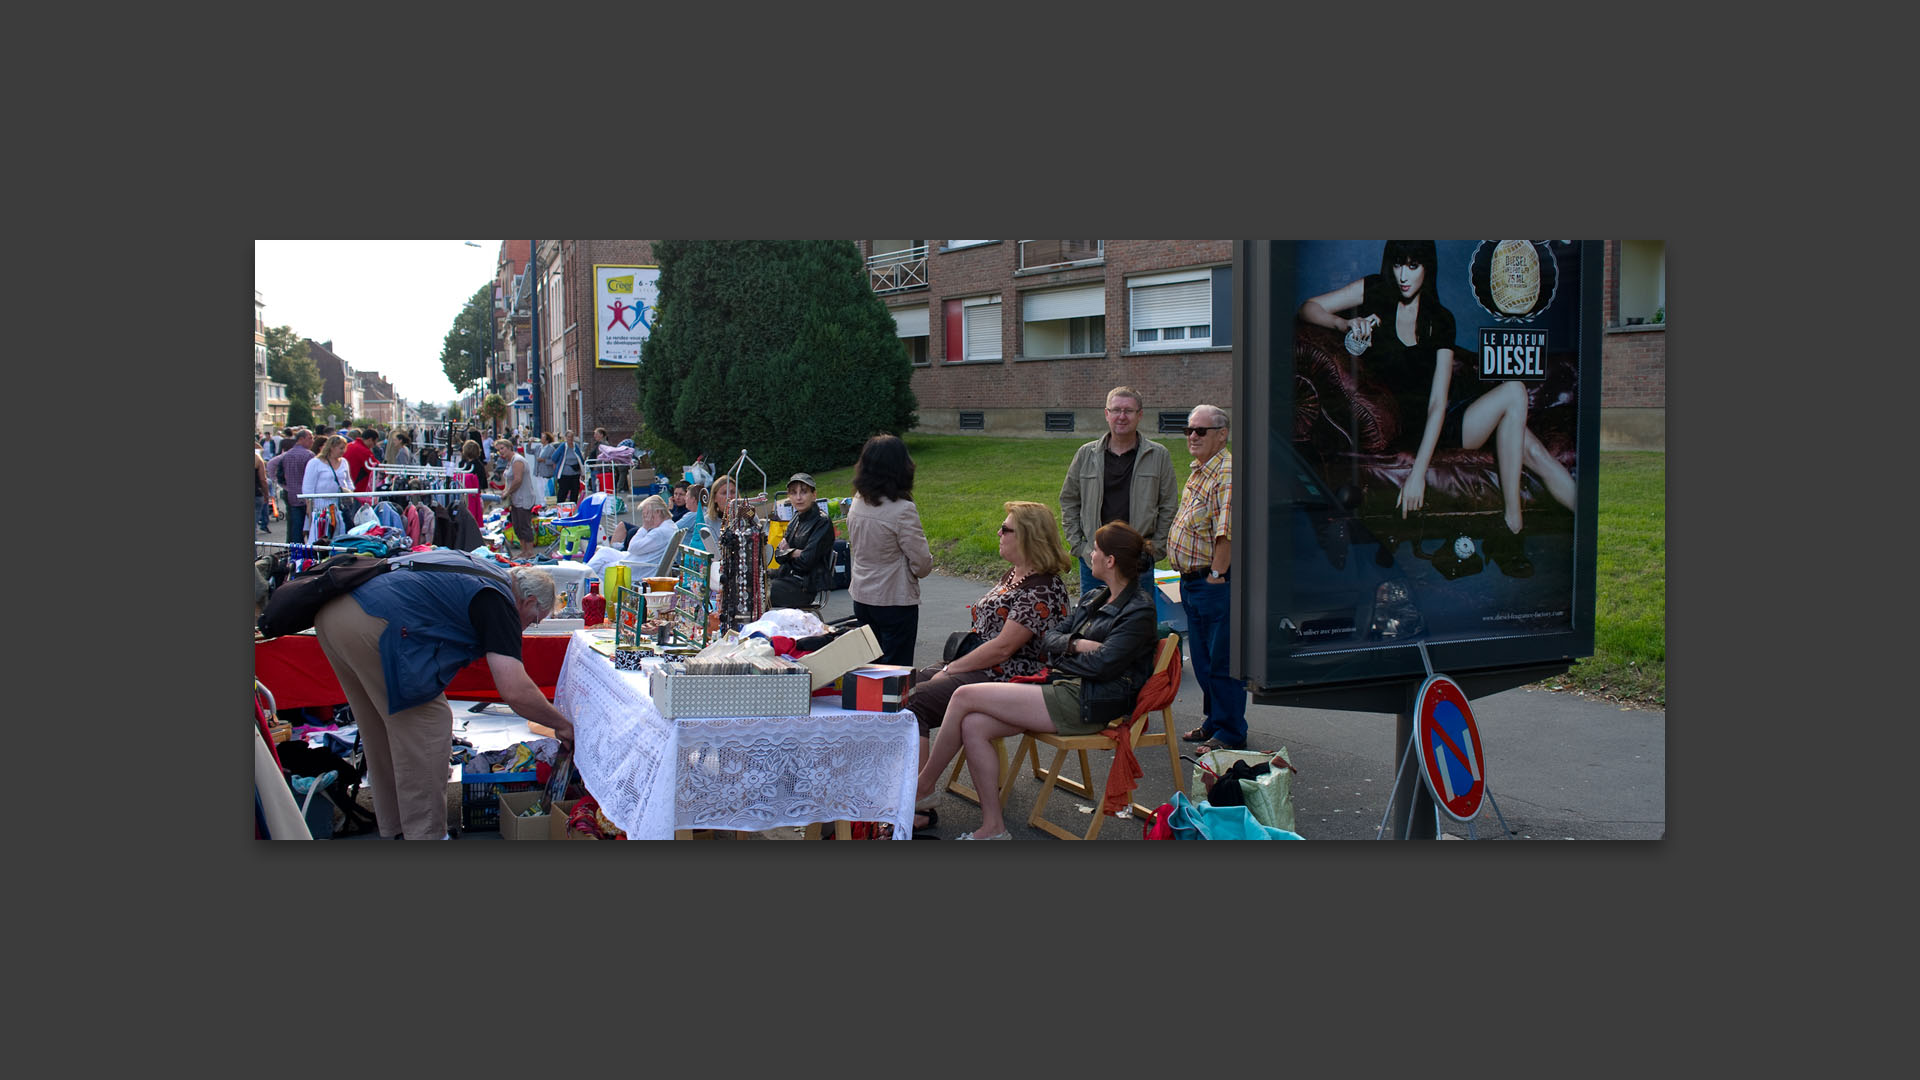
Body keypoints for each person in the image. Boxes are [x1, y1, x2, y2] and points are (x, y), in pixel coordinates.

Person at [1297, 239, 1577, 575]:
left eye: (1414, 266)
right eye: (1399, 264)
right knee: (1516, 398)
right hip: (1416, 424)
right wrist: (1344, 324)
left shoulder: (1440, 319)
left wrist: (1417, 475)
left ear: (1427, 269)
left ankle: (1575, 530)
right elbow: (1308, 308)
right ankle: (1511, 529)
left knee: (1536, 452)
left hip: (1451, 414)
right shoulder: (1373, 291)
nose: (1404, 274)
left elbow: (1438, 403)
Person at [913, 521, 1159, 840]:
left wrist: (1064, 653)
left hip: (1089, 701)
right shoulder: (1096, 597)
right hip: (1062, 685)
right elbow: (1050, 640)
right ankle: (993, 828)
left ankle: (922, 788)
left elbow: (1103, 666)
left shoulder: (1139, 611)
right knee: (973, 724)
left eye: (1096, 550)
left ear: (1110, 561)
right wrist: (1076, 645)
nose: (1091, 554)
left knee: (963, 698)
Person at [312, 557, 574, 840]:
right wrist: (561, 724)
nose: (529, 627)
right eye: (536, 620)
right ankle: (426, 836)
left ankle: (396, 828)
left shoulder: (488, 575)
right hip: (372, 622)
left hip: (335, 614)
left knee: (380, 729)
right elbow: (514, 690)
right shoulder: (499, 600)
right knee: (429, 725)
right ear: (530, 601)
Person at [902, 500, 1072, 830]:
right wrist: (953, 666)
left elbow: (1003, 648)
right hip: (986, 665)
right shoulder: (1016, 573)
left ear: (1028, 537)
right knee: (901, 687)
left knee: (917, 700)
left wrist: (952, 669)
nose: (999, 532)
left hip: (1014, 675)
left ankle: (920, 801)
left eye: (1005, 529)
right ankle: (908, 789)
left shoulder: (1045, 587)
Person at [1168, 404, 1246, 751]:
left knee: (1221, 661)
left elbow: (1226, 533)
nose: (1193, 436)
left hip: (1213, 582)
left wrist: (1216, 575)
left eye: (1201, 431)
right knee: (1201, 659)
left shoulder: (1226, 472)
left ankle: (1229, 732)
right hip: (1192, 581)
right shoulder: (1201, 470)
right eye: (1189, 430)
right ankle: (1214, 722)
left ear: (1222, 434)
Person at [1060, 385, 1181, 596]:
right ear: (1107, 414)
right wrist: (1080, 547)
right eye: (1116, 410)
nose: (1121, 416)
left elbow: (1169, 505)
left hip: (1137, 559)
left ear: (1140, 415)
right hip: (1094, 559)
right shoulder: (1086, 454)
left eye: (1128, 411)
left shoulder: (1158, 455)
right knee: (1093, 622)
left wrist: (1155, 548)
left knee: (1137, 623)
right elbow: (1069, 500)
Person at [845, 434, 934, 667]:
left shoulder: (857, 501)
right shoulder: (902, 509)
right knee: (895, 672)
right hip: (894, 598)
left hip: (862, 595)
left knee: (869, 665)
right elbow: (922, 563)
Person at [768, 473, 834, 610]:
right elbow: (778, 555)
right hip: (787, 576)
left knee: (758, 592)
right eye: (793, 493)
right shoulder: (796, 517)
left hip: (804, 586)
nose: (798, 497)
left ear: (814, 495)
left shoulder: (822, 521)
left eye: (804, 492)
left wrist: (788, 552)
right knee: (751, 581)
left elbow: (806, 561)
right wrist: (795, 553)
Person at [302, 434, 355, 545]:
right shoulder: (315, 463)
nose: (343, 451)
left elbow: (348, 481)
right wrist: (309, 505)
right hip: (320, 505)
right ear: (332, 447)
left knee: (339, 533)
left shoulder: (344, 462)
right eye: (341, 448)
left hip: (339, 504)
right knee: (321, 533)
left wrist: (349, 493)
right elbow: (307, 487)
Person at [268, 428, 315, 544]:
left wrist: (282, 484)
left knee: (295, 526)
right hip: (308, 496)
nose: (312, 441)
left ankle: (296, 553)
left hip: (291, 494)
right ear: (301, 439)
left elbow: (272, 466)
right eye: (310, 438)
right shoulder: (309, 456)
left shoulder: (287, 455)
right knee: (311, 527)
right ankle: (311, 551)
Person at [496, 438, 540, 561]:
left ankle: (530, 552)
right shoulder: (510, 461)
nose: (501, 452)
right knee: (516, 525)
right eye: (498, 450)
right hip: (515, 498)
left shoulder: (517, 460)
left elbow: (518, 480)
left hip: (523, 496)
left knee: (524, 524)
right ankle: (523, 550)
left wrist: (507, 492)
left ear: (509, 447)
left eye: (502, 448)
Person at [614, 495, 678, 574]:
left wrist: (645, 527)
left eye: (647, 514)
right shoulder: (670, 527)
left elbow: (632, 547)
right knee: (604, 551)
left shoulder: (660, 532)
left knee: (602, 556)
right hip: (636, 561)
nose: (645, 518)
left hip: (633, 568)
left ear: (658, 512)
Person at [458, 439, 488, 523]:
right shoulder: (479, 465)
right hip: (475, 495)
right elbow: (483, 483)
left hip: (465, 495)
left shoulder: (462, 464)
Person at [342, 427, 379, 494]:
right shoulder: (364, 451)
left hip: (346, 485)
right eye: (374, 443)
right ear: (370, 440)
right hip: (358, 488)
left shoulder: (349, 445)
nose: (373, 446)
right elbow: (376, 467)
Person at [554, 430, 585, 504]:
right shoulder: (563, 446)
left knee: (575, 492)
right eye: (568, 437)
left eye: (571, 437)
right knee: (563, 492)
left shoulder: (575, 446)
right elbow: (554, 457)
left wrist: (582, 472)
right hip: (564, 474)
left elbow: (580, 459)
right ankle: (560, 507)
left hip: (575, 473)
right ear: (566, 438)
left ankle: (572, 508)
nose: (570, 439)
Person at [254, 446, 274, 534]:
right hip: (256, 493)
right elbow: (263, 480)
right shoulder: (257, 459)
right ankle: (264, 523)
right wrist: (266, 494)